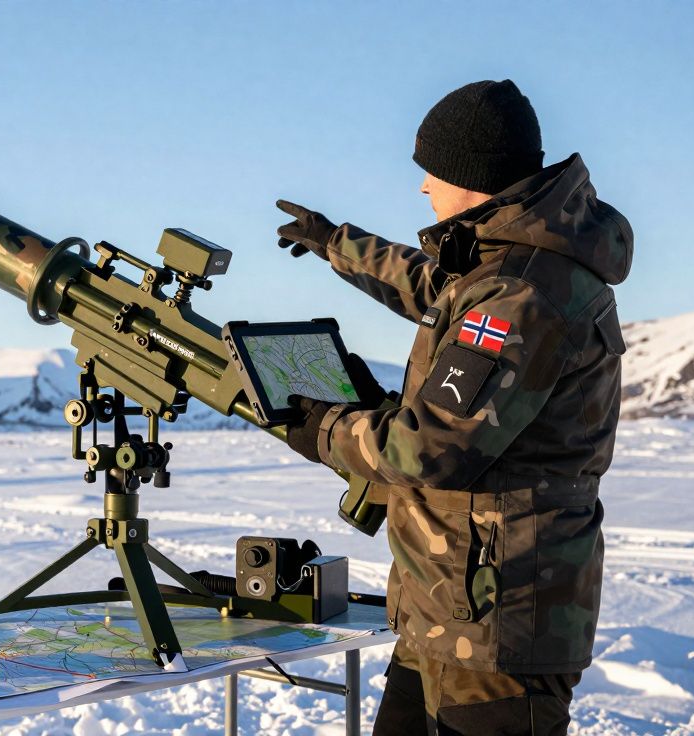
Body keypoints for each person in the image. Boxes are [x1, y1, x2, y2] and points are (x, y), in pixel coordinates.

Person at [276, 79, 632, 735]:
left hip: (496, 628)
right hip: (449, 612)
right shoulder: (511, 261)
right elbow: (436, 285)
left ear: (472, 177)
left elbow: (432, 445)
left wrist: (324, 428)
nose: (422, 188)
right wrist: (338, 244)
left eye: (430, 172)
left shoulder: (521, 292)